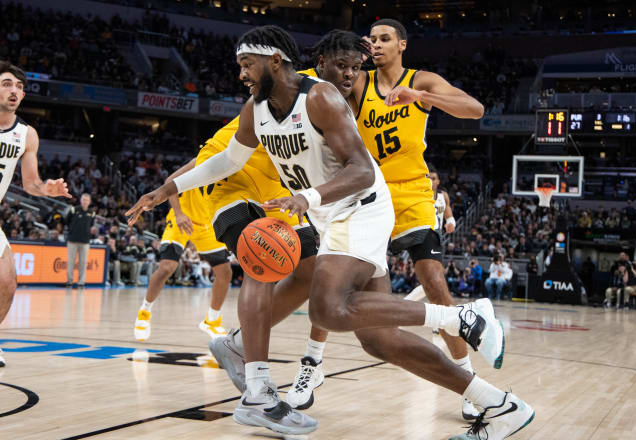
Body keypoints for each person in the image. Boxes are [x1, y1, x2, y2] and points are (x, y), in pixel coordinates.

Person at [126, 25, 529, 439]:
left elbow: (361, 170)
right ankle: (499, 405)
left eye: (248, 64)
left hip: (360, 209)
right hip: (330, 214)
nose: (242, 73)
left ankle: (462, 317)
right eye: (240, 65)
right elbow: (227, 160)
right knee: (378, 340)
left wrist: (307, 199)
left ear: (274, 61)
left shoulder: (319, 97)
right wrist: (167, 189)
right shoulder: (255, 108)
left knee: (326, 308)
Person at [351, 18, 490, 421]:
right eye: (371, 39)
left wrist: (420, 97)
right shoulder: (358, 83)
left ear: (402, 45)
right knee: (337, 282)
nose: (376, 45)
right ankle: (311, 363)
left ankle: (469, 382)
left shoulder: (421, 81)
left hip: (411, 192)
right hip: (368, 193)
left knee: (435, 285)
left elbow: (475, 108)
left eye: (384, 39)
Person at [0, 62, 71, 368]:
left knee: (8, 283)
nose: (13, 90)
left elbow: (31, 183)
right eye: (6, 84)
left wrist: (48, 190)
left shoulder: (26, 134)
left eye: (18, 86)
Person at [133, 162, 233, 341]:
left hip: (206, 225)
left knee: (225, 273)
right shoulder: (203, 159)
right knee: (166, 267)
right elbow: (170, 180)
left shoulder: (236, 163)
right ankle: (144, 311)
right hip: (182, 217)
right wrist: (178, 213)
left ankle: (212, 320)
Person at [65, 193, 95, 288]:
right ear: (80, 200)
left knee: (83, 262)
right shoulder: (74, 210)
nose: (85, 201)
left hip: (85, 241)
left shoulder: (92, 213)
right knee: (71, 262)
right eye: (83, 199)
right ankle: (69, 281)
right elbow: (66, 221)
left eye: (87, 200)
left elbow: (91, 225)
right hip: (72, 241)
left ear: (89, 202)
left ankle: (81, 282)